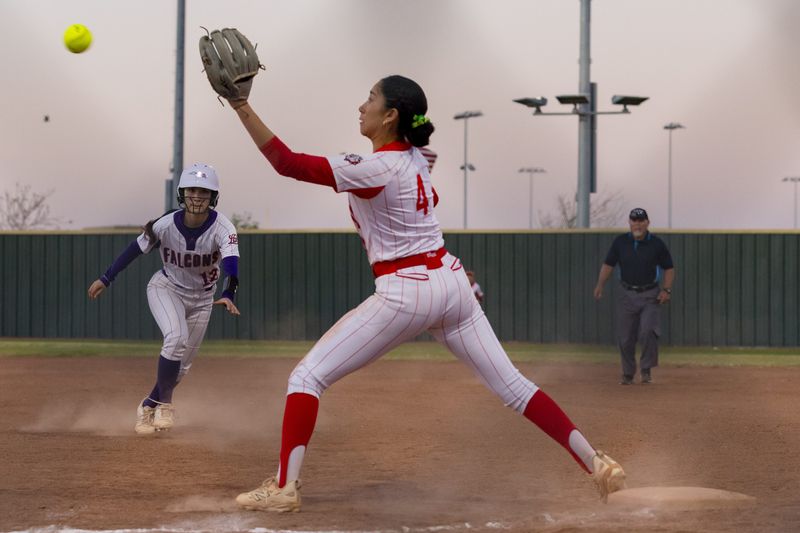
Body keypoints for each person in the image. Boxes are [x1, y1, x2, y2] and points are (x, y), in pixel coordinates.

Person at [209, 69, 626, 510]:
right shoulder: (414, 158)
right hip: (452, 282)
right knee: (516, 388)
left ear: (390, 115)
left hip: (407, 289)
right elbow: (422, 150)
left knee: (306, 378)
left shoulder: (379, 167)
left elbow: (288, 163)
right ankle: (595, 461)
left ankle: (283, 488)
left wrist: (240, 105)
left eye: (370, 99)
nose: (361, 105)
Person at [87, 163, 241, 434]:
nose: (197, 197)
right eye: (192, 190)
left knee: (181, 368)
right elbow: (133, 250)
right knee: (176, 338)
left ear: (213, 197)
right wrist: (106, 277)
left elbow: (231, 263)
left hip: (203, 299)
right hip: (166, 288)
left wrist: (229, 292)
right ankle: (166, 406)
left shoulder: (223, 227)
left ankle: (148, 406)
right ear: (182, 193)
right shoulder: (166, 224)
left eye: (204, 192)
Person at [593, 208, 675, 385]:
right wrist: (600, 285)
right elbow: (608, 264)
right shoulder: (620, 242)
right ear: (629, 223)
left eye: (641, 221)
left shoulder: (656, 244)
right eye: (634, 221)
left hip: (650, 294)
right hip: (627, 293)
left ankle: (645, 370)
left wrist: (666, 290)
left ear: (647, 223)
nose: (637, 224)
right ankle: (628, 373)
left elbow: (669, 267)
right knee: (625, 336)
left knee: (648, 331)